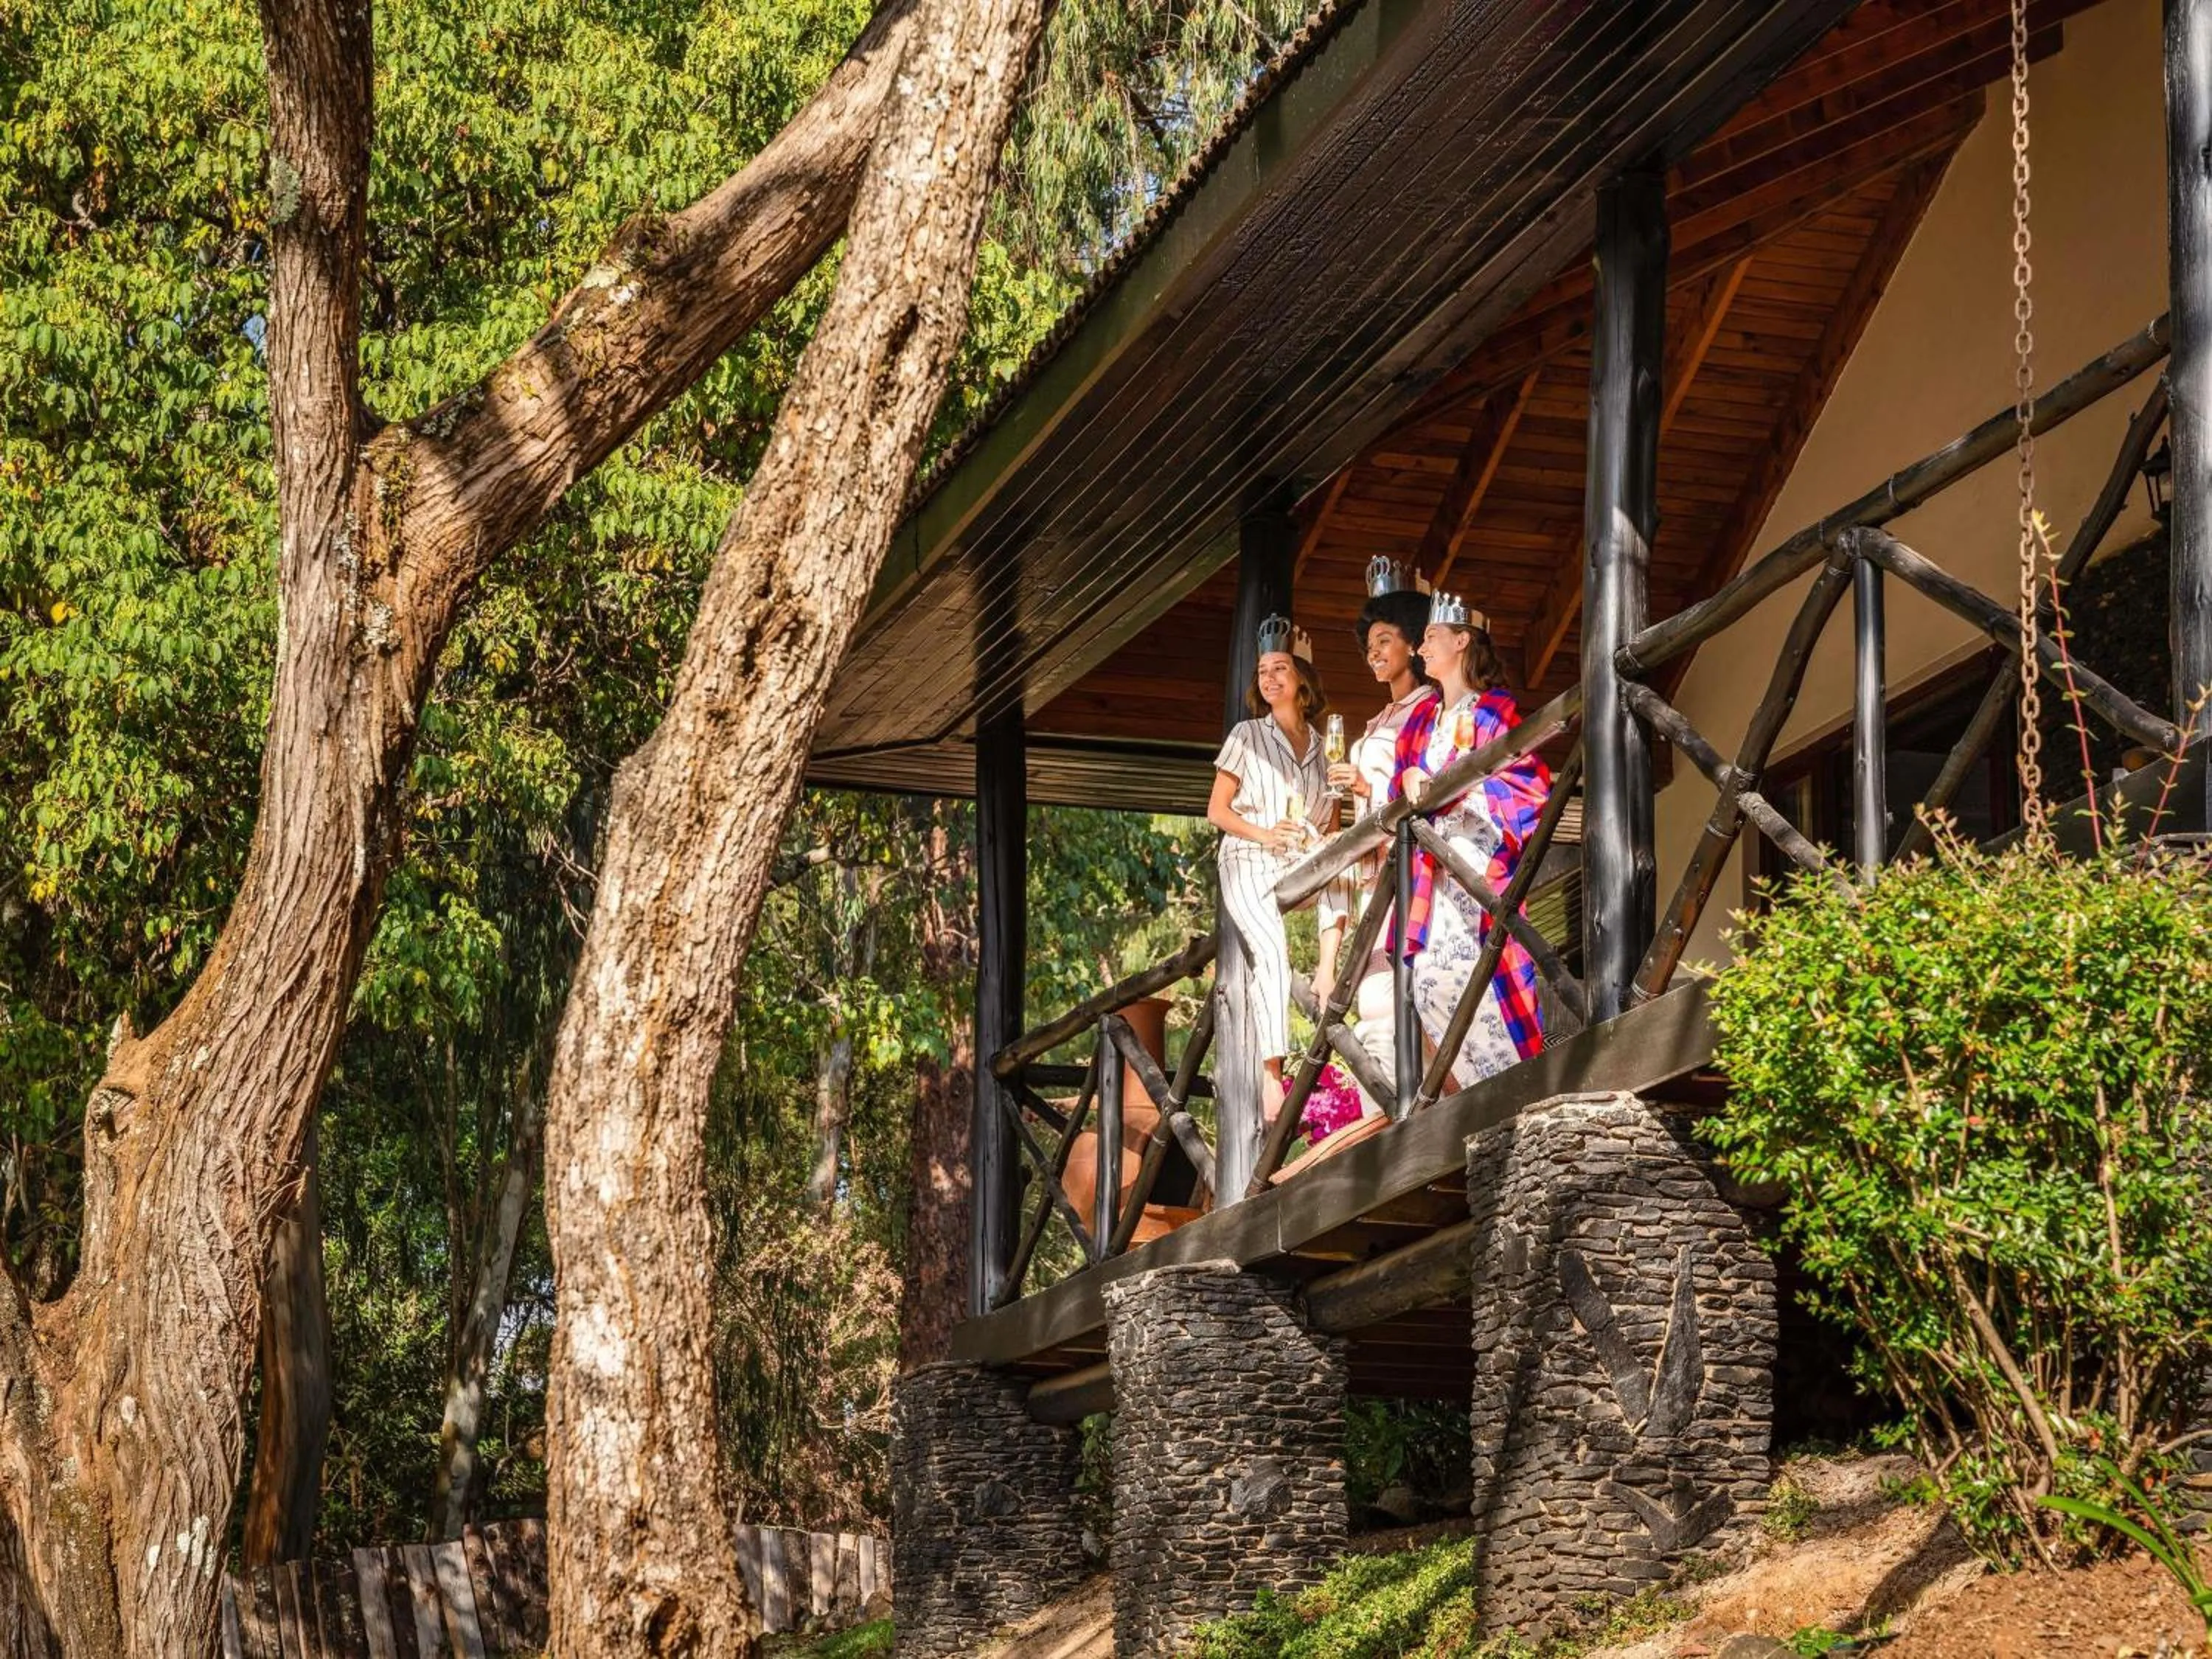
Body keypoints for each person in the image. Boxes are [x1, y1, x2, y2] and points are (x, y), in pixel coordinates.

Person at [1387, 589, 1549, 1088]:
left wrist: (1459, 788)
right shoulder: (1418, 721)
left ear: (1462, 641)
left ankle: (1514, 1086)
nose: (1421, 648)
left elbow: (1529, 783)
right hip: (1427, 876)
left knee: (1486, 974)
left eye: (1431, 636)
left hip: (1475, 865)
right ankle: (1476, 1091)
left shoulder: (1496, 711)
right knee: (1429, 981)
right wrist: (1411, 778)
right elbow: (1399, 790)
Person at [1319, 558, 1439, 1113]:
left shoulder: (1433, 710)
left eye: (1385, 639)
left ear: (1415, 644)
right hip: (1375, 878)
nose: (1373, 651)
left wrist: (1367, 782)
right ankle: (1382, 1119)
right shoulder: (1377, 720)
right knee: (1373, 998)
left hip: (1414, 875)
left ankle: (1410, 1114)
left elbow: (1429, 784)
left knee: (1406, 995)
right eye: (1368, 642)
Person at [1208, 614, 1331, 1124]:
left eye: (1280, 668)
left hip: (1294, 861)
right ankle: (1271, 1076)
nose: (1270, 678)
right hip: (1247, 859)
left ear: (1301, 679)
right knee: (1273, 950)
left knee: (1346, 858)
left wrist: (1328, 833)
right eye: (1263, 671)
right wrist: (1265, 834)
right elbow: (1217, 811)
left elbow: (1327, 819)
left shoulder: (1323, 747)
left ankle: (1329, 969)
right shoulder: (1246, 734)